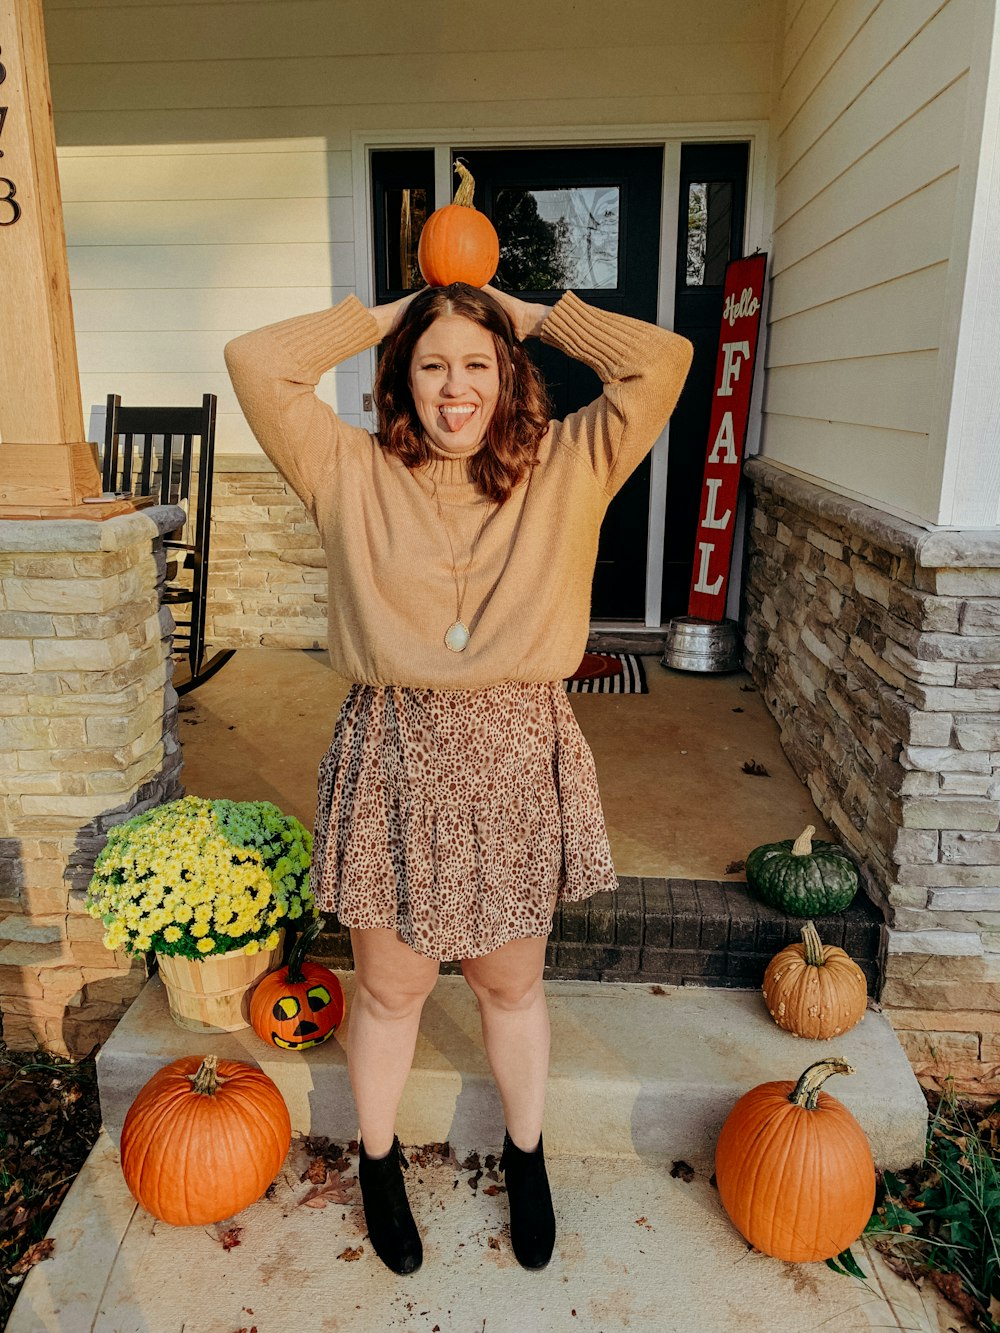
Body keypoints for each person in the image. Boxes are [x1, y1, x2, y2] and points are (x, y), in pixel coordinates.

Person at [224, 279, 692, 1276]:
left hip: (517, 754)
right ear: (401, 378)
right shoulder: (346, 468)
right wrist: (393, 313)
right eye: (432, 365)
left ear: (508, 374)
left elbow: (663, 362)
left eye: (476, 365)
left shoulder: (572, 460)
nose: (454, 389)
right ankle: (381, 1161)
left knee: (507, 984)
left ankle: (526, 1156)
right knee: (391, 991)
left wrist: (524, 313)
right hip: (393, 753)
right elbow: (257, 363)